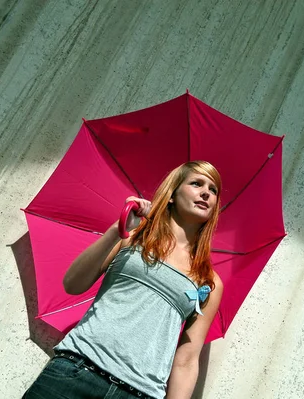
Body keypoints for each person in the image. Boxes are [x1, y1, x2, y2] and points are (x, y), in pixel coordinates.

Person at [24, 161, 224, 399]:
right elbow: (73, 284)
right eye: (196, 183)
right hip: (75, 370)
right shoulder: (132, 237)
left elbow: (187, 360)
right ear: (172, 194)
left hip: (139, 393)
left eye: (213, 190)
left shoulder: (208, 281)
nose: (206, 193)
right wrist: (117, 230)